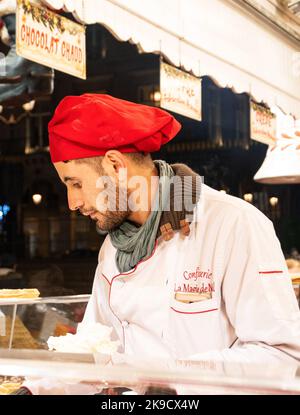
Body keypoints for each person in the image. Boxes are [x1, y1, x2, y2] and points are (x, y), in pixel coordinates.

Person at [21, 93, 300, 394]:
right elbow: (95, 352)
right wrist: (38, 388)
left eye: (76, 183)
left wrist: (168, 380)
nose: (72, 202)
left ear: (115, 165)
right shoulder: (115, 248)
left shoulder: (233, 224)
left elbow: (281, 356)